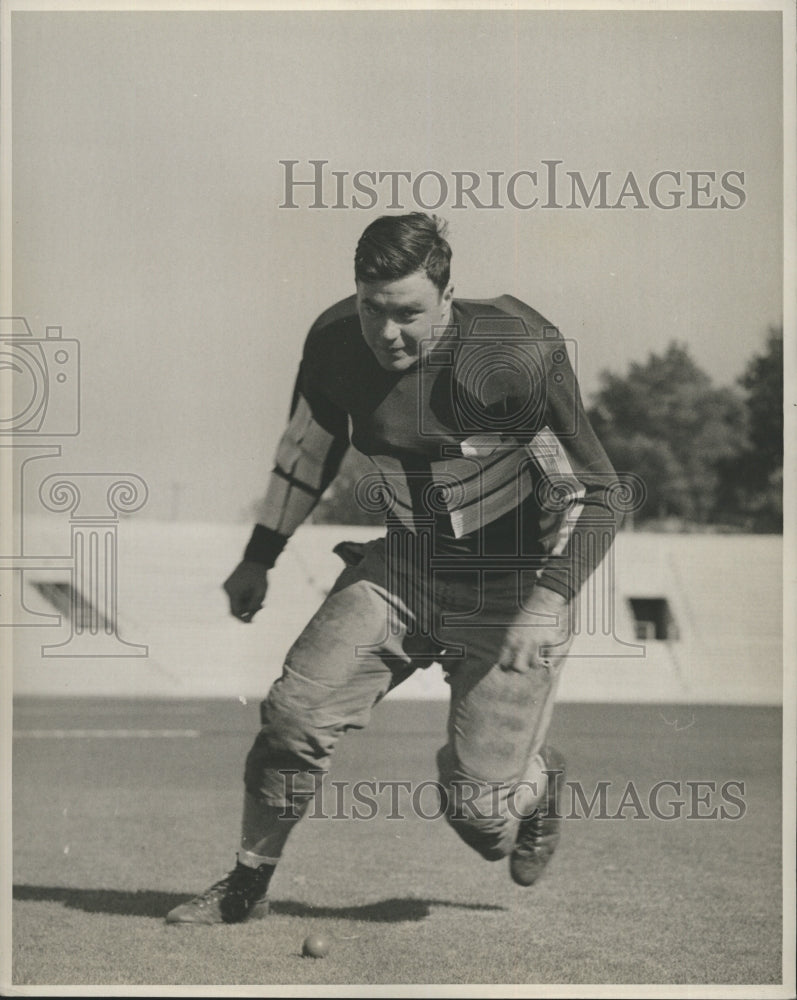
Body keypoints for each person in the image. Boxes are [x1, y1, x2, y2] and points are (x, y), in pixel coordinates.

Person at [166, 213, 620, 925]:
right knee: (292, 716)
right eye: (370, 308)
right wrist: (259, 557)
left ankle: (536, 781)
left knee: (480, 821)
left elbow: (597, 492)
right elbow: (305, 455)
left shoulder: (515, 352)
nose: (386, 333)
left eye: (406, 313)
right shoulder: (332, 345)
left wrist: (547, 600)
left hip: (507, 591)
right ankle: (246, 884)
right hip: (403, 568)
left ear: (447, 294)